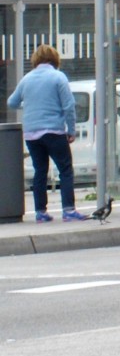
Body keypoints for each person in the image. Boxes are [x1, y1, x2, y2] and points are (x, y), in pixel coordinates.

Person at [7, 44, 89, 223]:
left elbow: (11, 102)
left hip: (31, 134)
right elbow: (69, 106)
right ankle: (68, 210)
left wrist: (28, 106)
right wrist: (71, 130)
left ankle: (40, 212)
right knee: (65, 169)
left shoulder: (26, 79)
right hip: (53, 131)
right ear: (55, 60)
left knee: (40, 171)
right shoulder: (58, 77)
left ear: (36, 60)